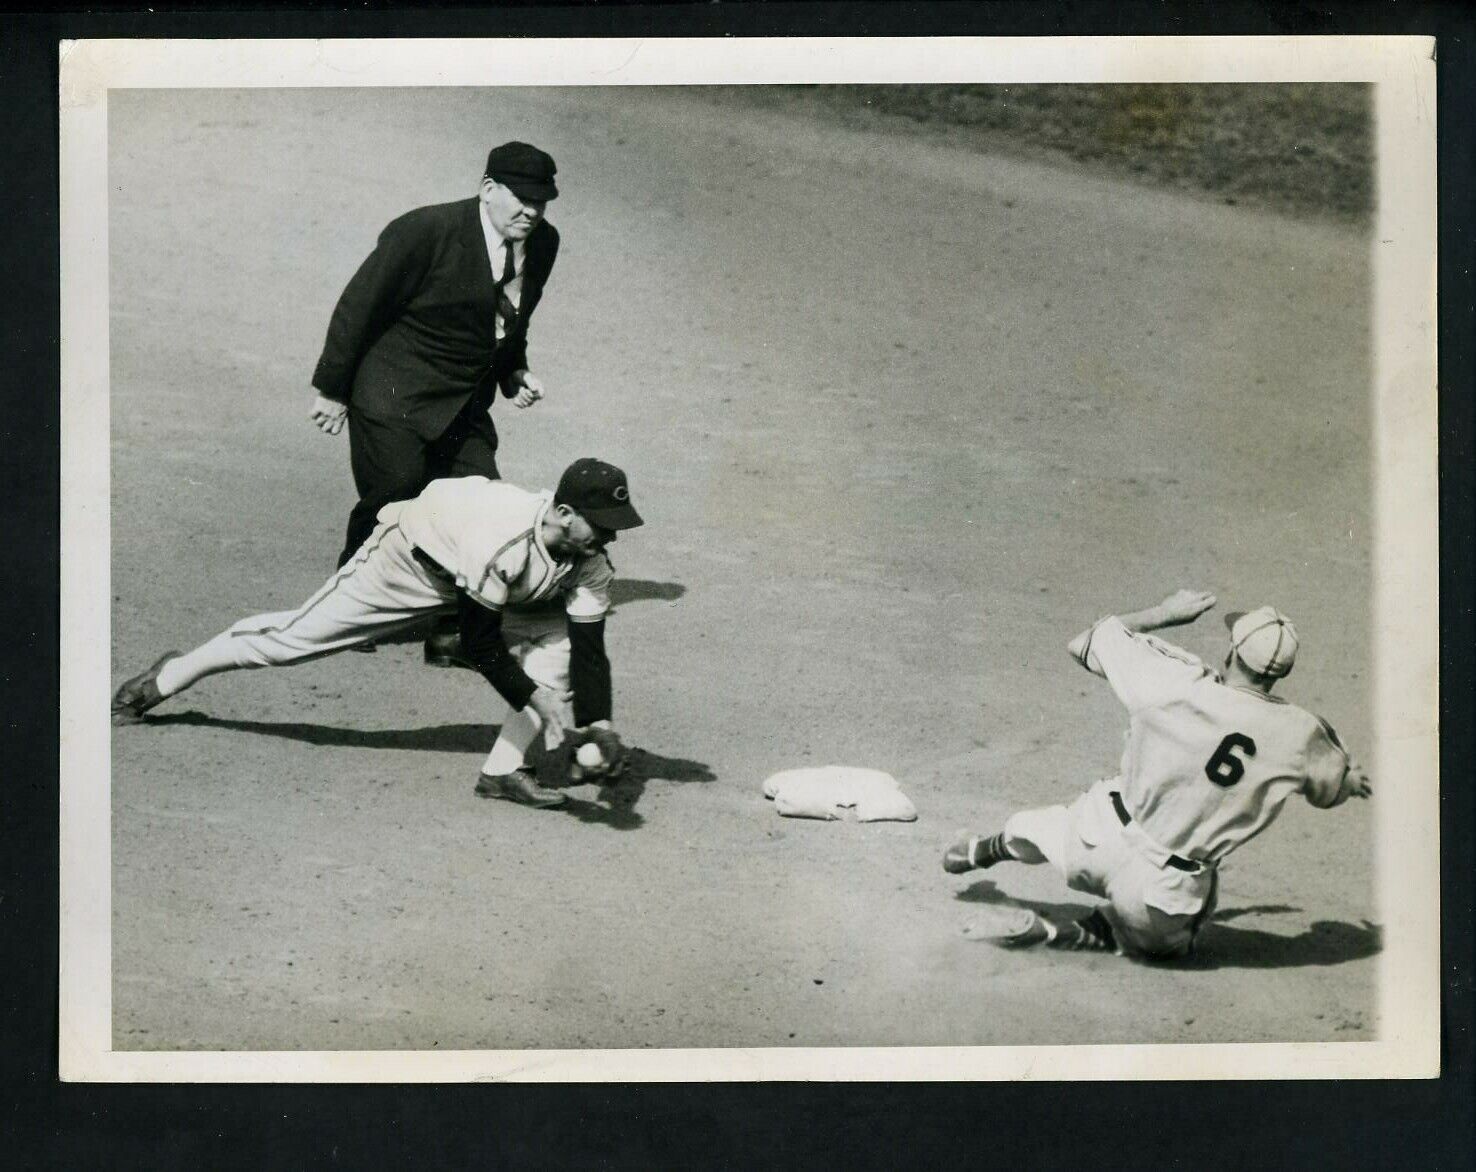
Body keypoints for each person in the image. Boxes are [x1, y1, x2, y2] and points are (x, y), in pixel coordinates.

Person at [112, 458, 643, 809]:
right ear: (565, 512)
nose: (611, 533)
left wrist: (599, 725)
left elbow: (591, 649)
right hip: (408, 564)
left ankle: (503, 770)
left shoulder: (591, 561)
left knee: (563, 645)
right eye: (601, 522)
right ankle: (172, 674)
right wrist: (535, 698)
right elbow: (480, 644)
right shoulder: (503, 538)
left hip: (491, 584)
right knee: (292, 641)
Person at [942, 589, 1372, 959]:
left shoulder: (1176, 680)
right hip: (1159, 890)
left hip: (1096, 837)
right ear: (1283, 674)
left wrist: (1165, 613)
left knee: (1039, 827)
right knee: (1171, 941)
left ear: (1232, 651)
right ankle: (1063, 932)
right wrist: (1350, 783)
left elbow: (1086, 641)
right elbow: (1333, 785)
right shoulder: (1299, 732)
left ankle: (982, 849)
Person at [306, 141, 562, 663]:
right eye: (521, 199)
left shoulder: (543, 243)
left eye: (542, 202)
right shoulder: (425, 231)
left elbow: (511, 316)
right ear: (488, 190)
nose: (531, 213)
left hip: (462, 401)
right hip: (394, 388)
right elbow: (360, 304)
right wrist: (331, 389)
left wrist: (513, 372)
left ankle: (452, 632)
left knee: (479, 503)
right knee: (395, 496)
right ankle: (348, 602)